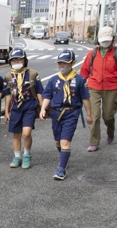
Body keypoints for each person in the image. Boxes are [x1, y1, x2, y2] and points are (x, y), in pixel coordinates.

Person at [39, 50, 93, 180]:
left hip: (71, 112)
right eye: (60, 64)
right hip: (56, 113)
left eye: (65, 63)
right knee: (58, 141)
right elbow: (47, 96)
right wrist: (43, 109)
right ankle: (64, 155)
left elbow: (85, 98)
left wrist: (89, 114)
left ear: (72, 63)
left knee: (65, 141)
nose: (62, 66)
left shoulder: (80, 80)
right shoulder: (54, 79)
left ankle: (61, 169)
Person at [79, 26, 117, 152]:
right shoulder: (93, 53)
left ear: (112, 39)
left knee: (108, 116)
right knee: (94, 116)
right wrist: (79, 86)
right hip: (94, 87)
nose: (105, 43)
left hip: (111, 88)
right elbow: (84, 70)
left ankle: (110, 131)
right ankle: (94, 141)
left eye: (107, 40)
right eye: (103, 40)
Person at [3, 47, 44, 169]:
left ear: (25, 60)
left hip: (29, 106)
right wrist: (6, 111)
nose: (16, 62)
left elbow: (39, 92)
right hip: (15, 107)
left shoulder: (32, 74)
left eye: (19, 59)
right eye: (13, 60)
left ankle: (26, 155)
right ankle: (17, 157)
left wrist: (42, 108)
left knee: (26, 133)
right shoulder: (8, 77)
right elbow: (8, 95)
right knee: (16, 134)